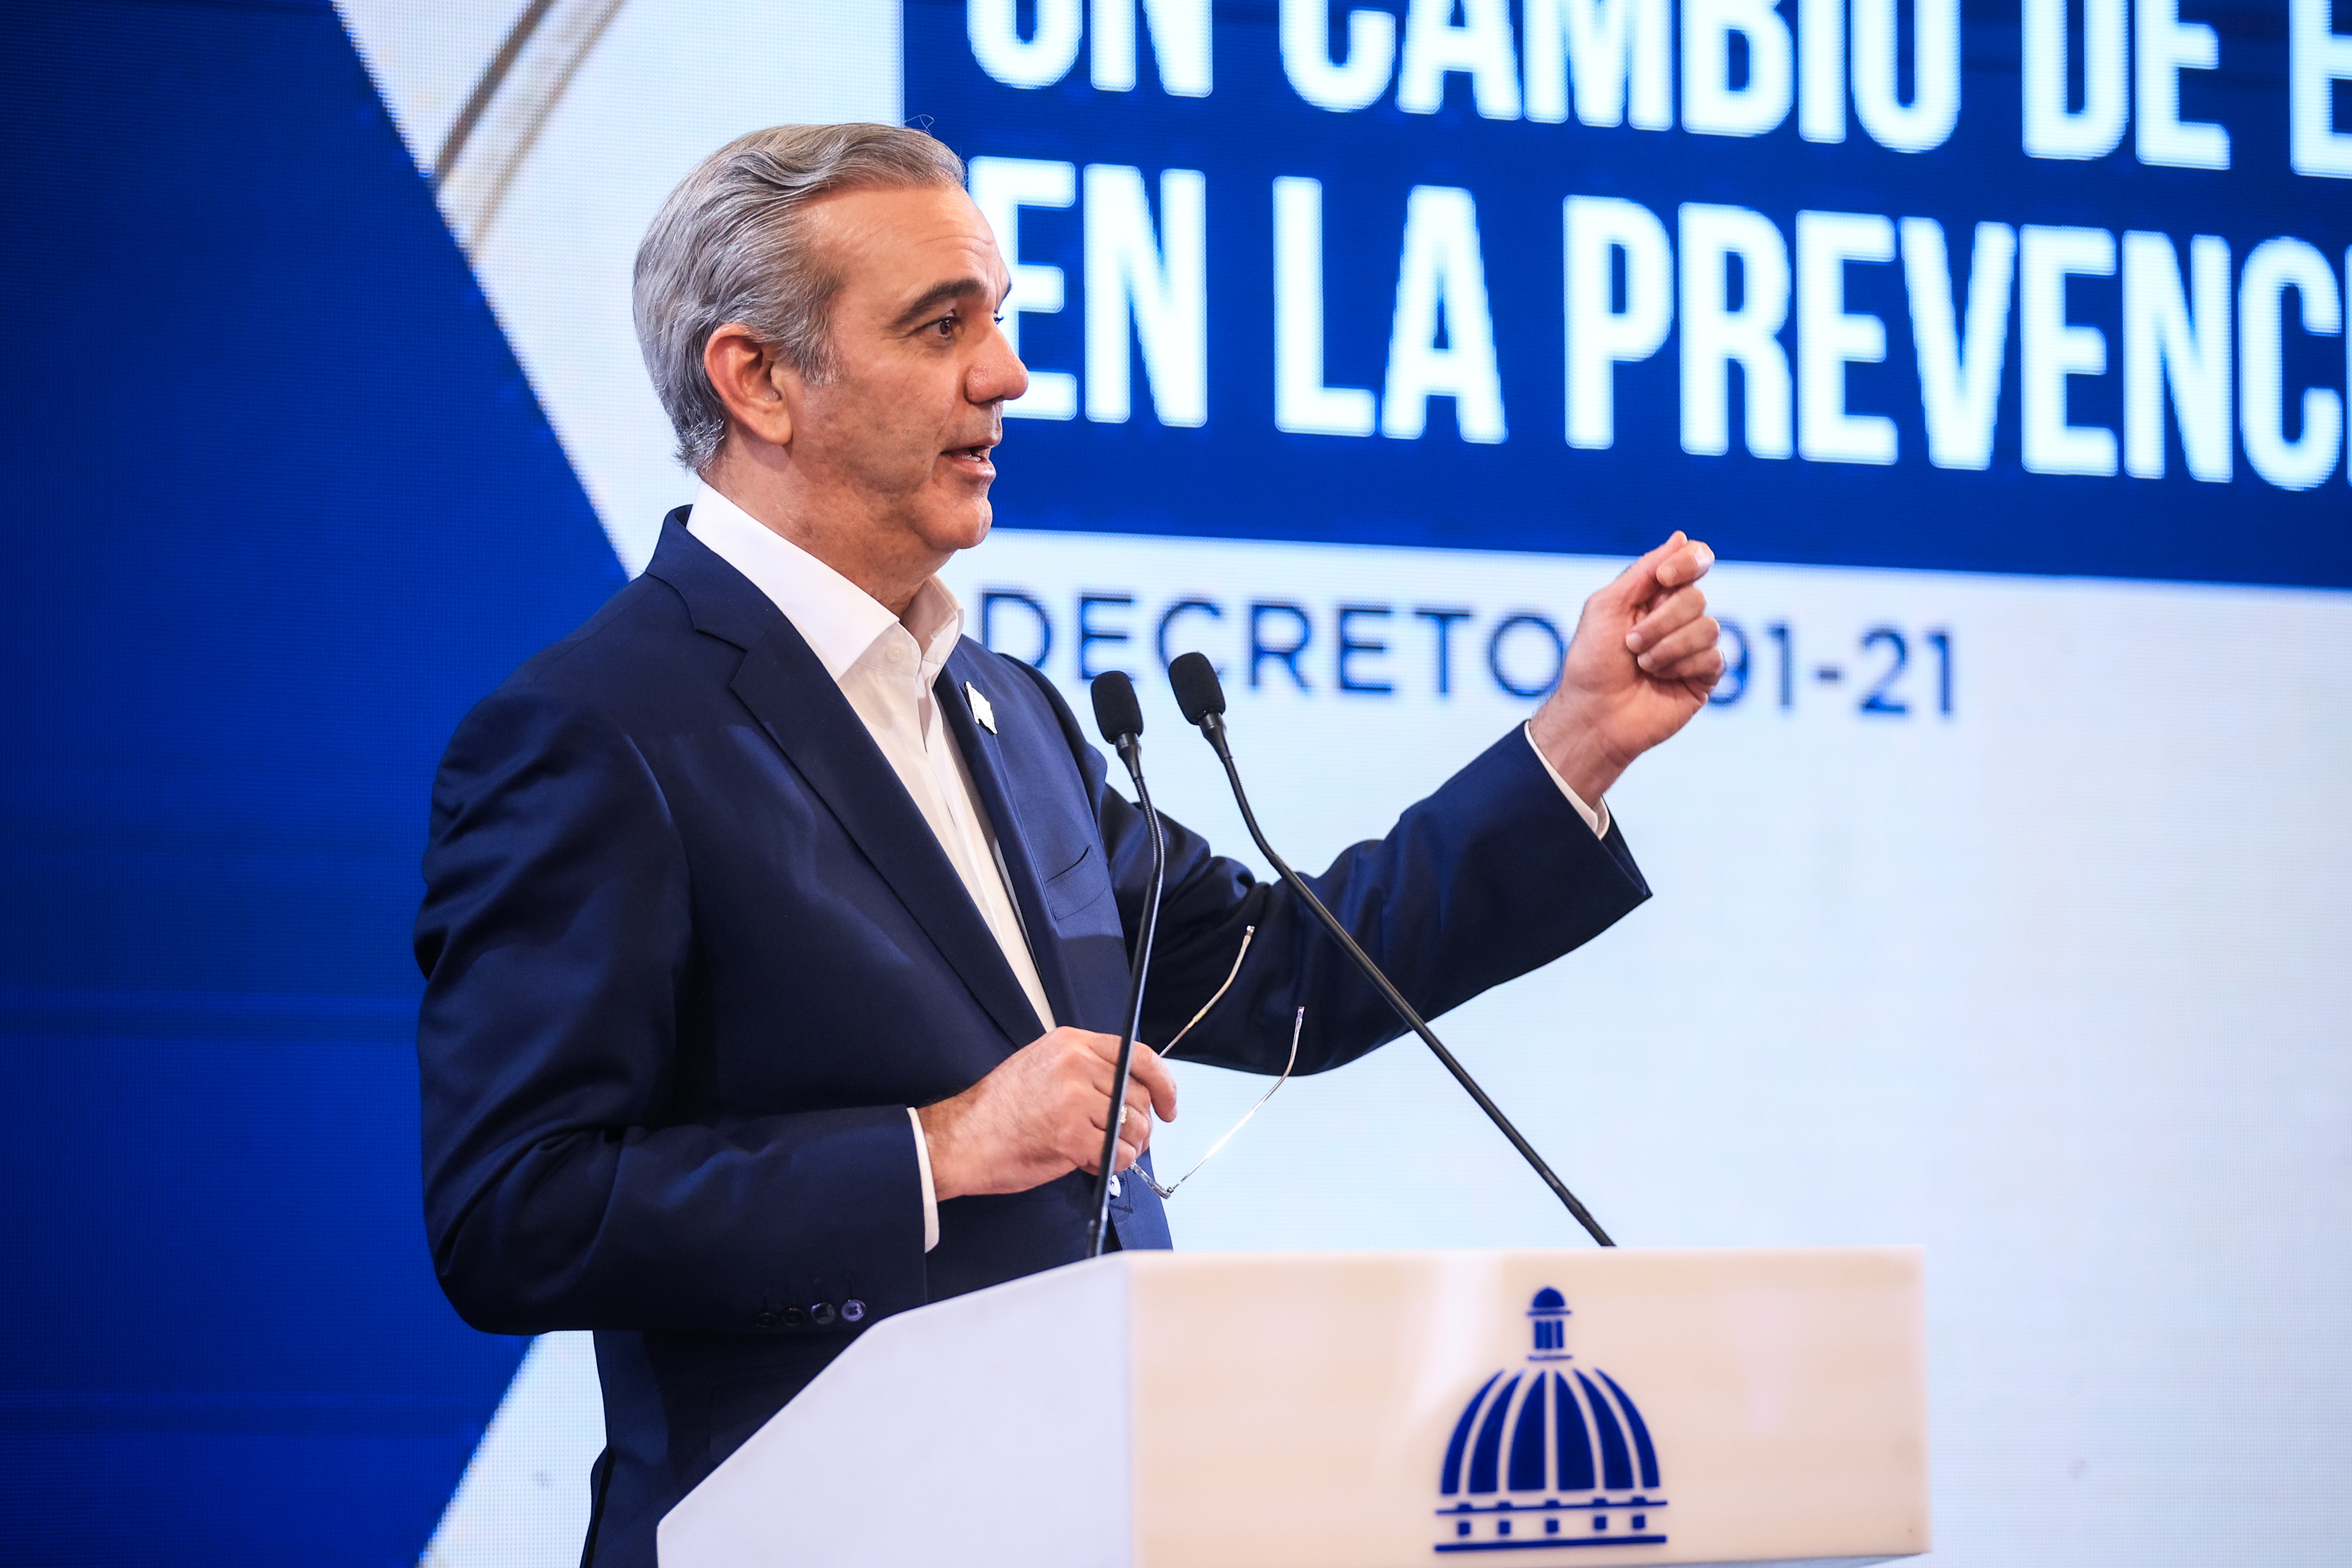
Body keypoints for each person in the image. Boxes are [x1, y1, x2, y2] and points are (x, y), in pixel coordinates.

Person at [413, 123, 1723, 1566]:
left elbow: (1285, 978)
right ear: (760, 379)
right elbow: (515, 1214)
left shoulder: (1009, 710)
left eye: (997, 319)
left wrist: (1578, 742)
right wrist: (937, 1151)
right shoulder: (599, 731)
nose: (1007, 375)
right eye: (941, 326)